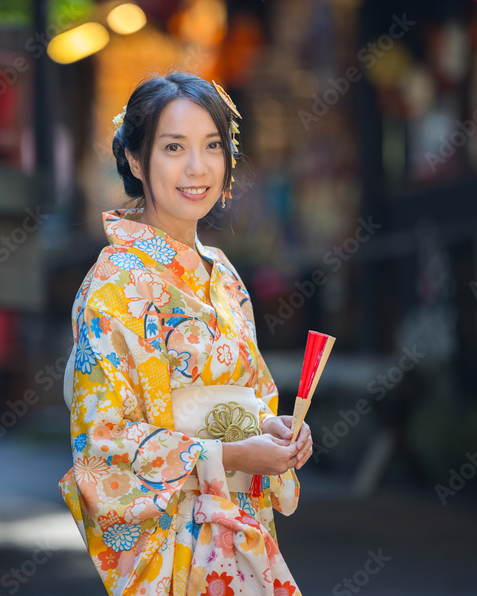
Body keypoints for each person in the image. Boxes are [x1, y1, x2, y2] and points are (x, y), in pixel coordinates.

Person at [58, 72, 313, 596]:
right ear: (135, 158)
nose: (198, 167)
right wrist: (231, 456)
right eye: (174, 147)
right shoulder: (116, 285)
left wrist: (277, 428)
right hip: (177, 542)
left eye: (212, 146)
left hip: (242, 530)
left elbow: (249, 396)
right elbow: (101, 446)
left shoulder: (224, 274)